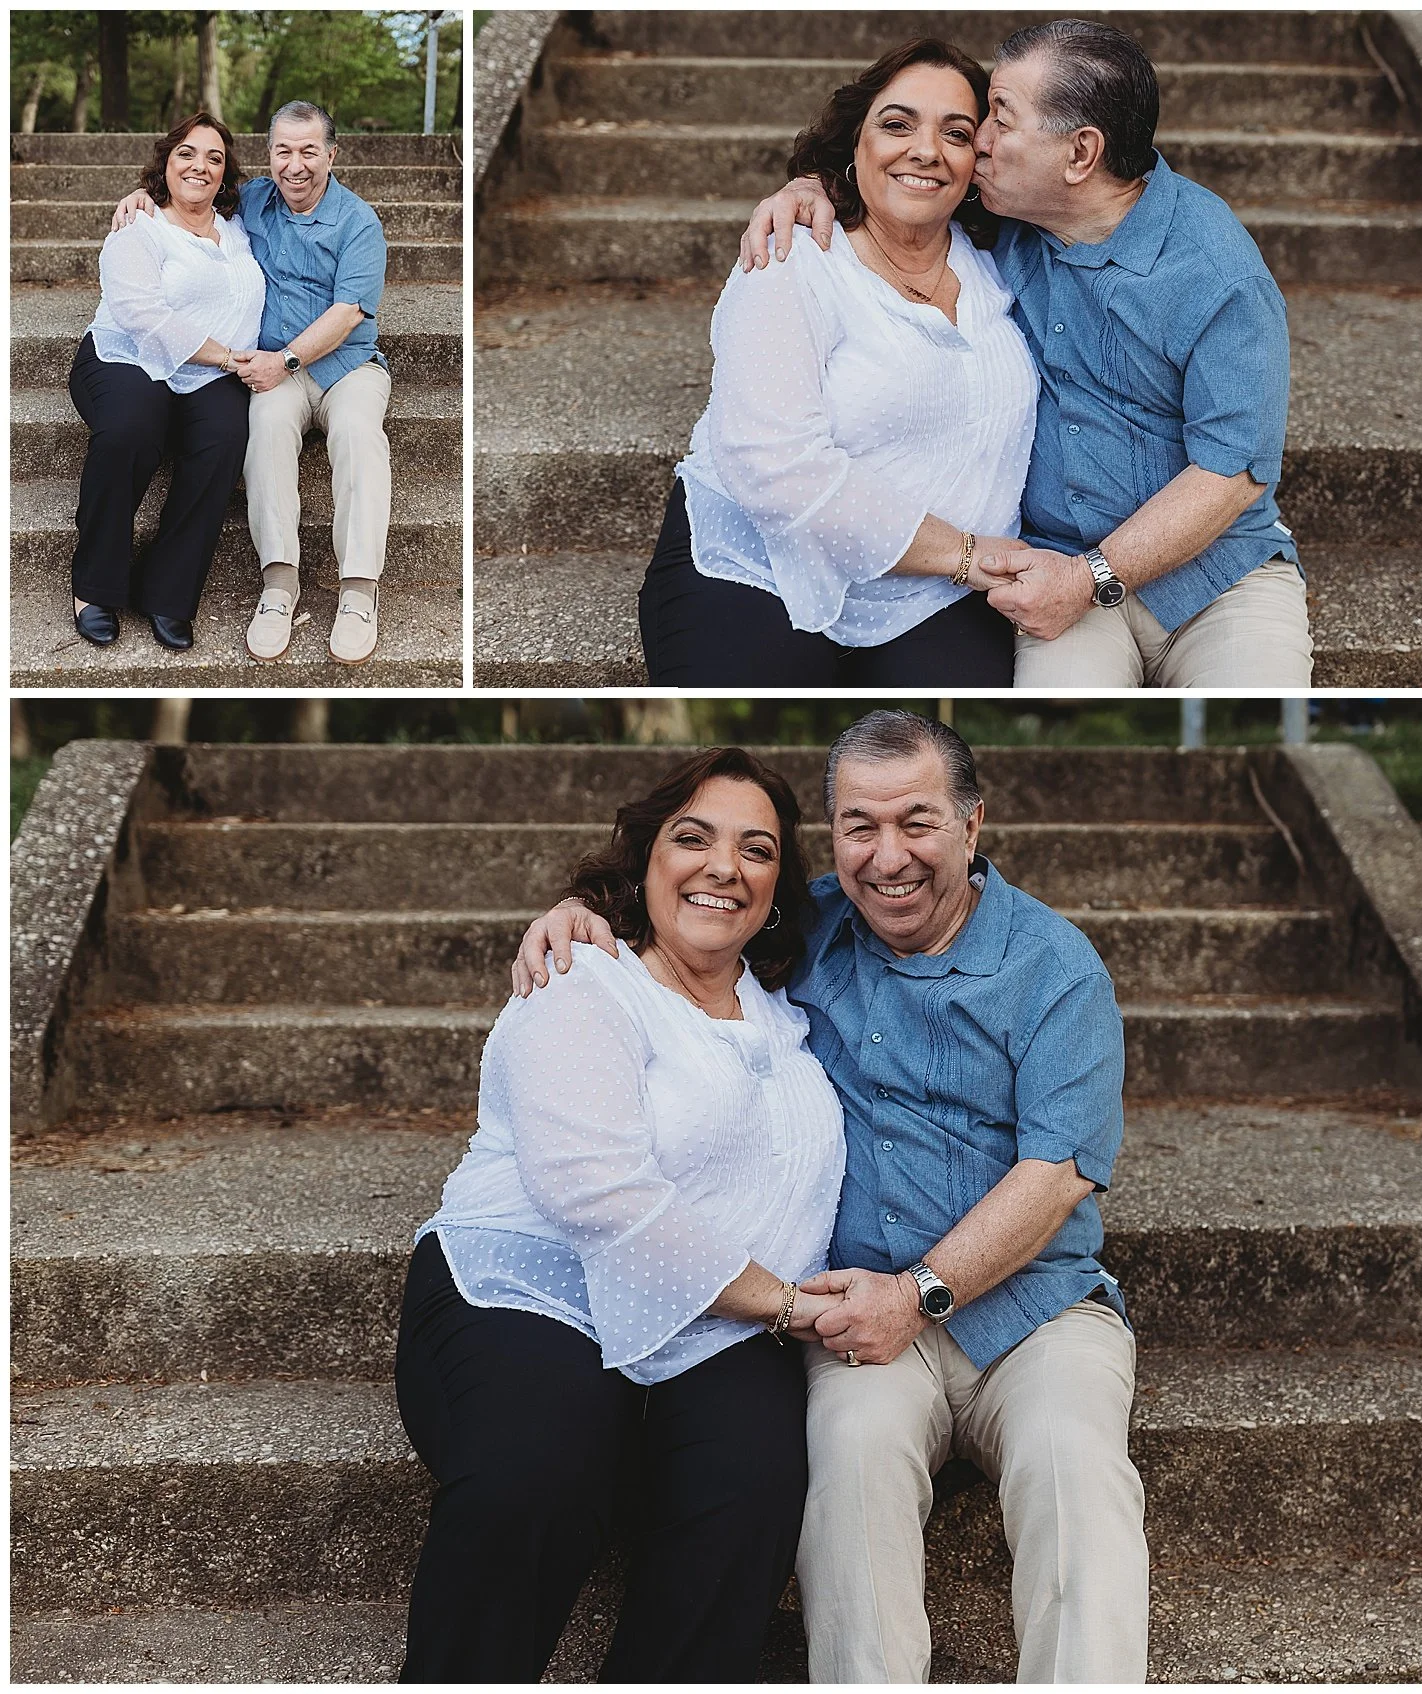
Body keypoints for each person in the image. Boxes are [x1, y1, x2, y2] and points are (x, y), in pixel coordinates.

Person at [513, 710, 1149, 1683]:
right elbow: (689, 912)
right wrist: (575, 912)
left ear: (973, 826)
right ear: (834, 833)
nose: (888, 856)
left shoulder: (1055, 967)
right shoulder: (805, 927)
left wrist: (920, 1295)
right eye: (860, 824)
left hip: (1036, 1309)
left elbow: (1057, 1173)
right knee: (848, 1469)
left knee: (1074, 1466)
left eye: (918, 822)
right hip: (854, 1311)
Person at [396, 748, 847, 1682]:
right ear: (643, 860)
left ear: (776, 889)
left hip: (713, 1327)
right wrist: (788, 1302)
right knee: (539, 1469)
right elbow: (591, 1188)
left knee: (756, 1488)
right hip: (533, 1284)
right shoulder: (585, 980)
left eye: (757, 850)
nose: (725, 866)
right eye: (694, 838)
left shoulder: (793, 1014)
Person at [741, 19, 1314, 688]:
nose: (975, 142)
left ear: (1080, 155)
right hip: (1053, 570)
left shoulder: (1217, 275)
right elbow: (900, 186)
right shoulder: (1003, 217)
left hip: (1218, 581)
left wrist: (1090, 577)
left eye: (999, 121)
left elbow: (1232, 472)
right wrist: (812, 190)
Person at [639, 39, 1038, 685]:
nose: (926, 150)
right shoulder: (791, 260)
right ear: (856, 142)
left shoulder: (1005, 257)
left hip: (930, 592)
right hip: (761, 559)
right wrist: (965, 553)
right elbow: (772, 465)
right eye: (896, 124)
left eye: (956, 133)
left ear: (978, 160)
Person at [113, 101, 392, 666]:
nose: (295, 165)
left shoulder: (359, 222)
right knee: (261, 427)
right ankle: (278, 586)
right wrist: (140, 198)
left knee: (361, 435)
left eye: (309, 151)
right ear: (268, 157)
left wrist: (285, 360)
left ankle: (359, 592)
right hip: (273, 370)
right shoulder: (254, 201)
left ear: (331, 155)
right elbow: (190, 192)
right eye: (283, 151)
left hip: (346, 367)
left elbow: (347, 314)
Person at [68, 112, 263, 652]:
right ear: (166, 163)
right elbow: (141, 316)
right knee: (132, 426)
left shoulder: (242, 227)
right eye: (187, 154)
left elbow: (299, 184)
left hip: (207, 374)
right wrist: (226, 357)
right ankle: (95, 585)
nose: (200, 166)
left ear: (226, 176)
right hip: (125, 356)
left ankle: (168, 591)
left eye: (214, 158)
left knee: (225, 438)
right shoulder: (141, 226)